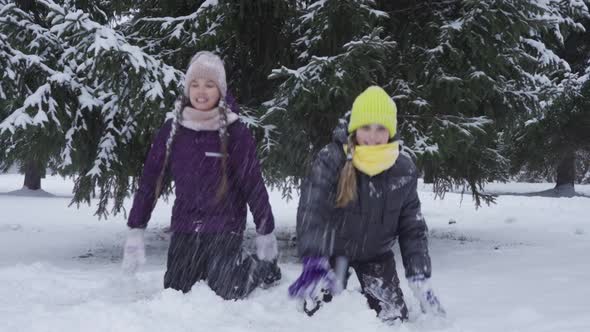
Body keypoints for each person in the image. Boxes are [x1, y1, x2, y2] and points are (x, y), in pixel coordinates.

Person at [121, 51, 281, 300]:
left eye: (209, 84)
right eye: (194, 84)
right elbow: (150, 181)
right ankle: (203, 268)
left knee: (226, 290)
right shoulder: (173, 130)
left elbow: (253, 183)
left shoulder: (235, 131)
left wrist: (265, 230)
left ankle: (257, 268)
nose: (201, 91)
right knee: (176, 290)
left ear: (221, 90)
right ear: (187, 89)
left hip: (224, 226)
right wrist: (136, 227)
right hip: (185, 225)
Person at [288, 86, 445, 322]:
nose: (372, 136)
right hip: (333, 254)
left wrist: (419, 275)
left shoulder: (403, 169)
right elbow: (313, 209)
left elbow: (412, 226)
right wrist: (314, 257)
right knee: (321, 317)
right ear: (354, 128)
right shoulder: (332, 159)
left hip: (376, 257)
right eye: (366, 127)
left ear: (390, 132)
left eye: (380, 128)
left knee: (393, 318)